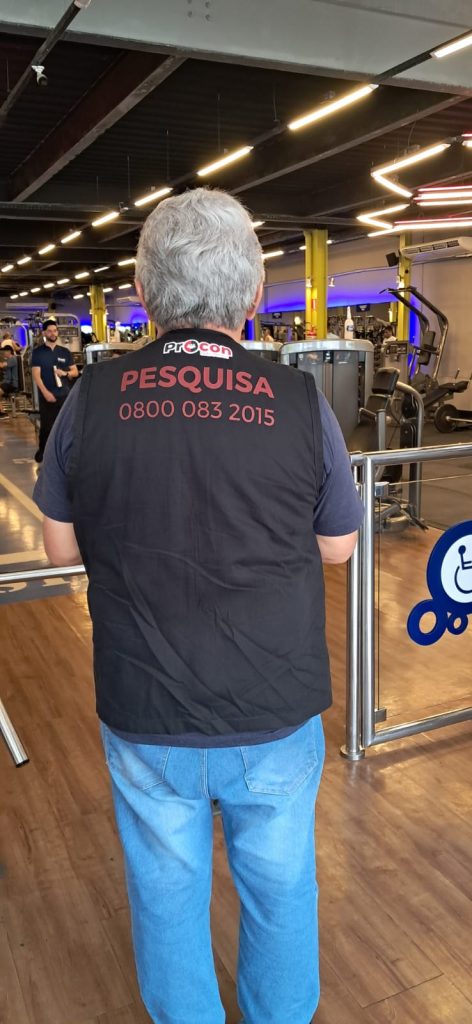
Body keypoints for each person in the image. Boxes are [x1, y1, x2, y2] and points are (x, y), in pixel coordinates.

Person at [33, 187, 364, 1024]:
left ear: (143, 293)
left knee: (165, 887)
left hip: (146, 701)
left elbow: (60, 549)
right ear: (253, 296)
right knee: (281, 883)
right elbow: (338, 546)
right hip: (273, 702)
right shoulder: (299, 400)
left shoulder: (92, 397)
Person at [31, 318, 78, 463]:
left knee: (67, 425)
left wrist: (66, 373)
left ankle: (65, 453)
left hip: (64, 395)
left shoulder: (64, 352)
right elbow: (36, 375)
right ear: (44, 333)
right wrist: (45, 393)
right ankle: (43, 451)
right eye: (50, 331)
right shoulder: (38, 352)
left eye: (55, 331)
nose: (53, 333)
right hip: (48, 395)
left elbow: (75, 371)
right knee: (47, 426)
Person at [0, 343, 19, 417]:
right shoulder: (8, 360)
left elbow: (1, 365)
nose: (3, 353)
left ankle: (1, 411)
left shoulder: (12, 359)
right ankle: (1, 411)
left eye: (4, 351)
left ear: (9, 351)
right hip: (7, 383)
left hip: (11, 384)